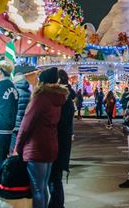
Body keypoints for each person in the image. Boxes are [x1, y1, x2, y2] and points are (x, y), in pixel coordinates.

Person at [15, 67, 68, 208]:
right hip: (51, 146)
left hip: (36, 147)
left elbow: (26, 124)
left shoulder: (40, 98)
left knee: (37, 188)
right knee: (43, 186)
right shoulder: (58, 99)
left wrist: (18, 147)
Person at [49, 69, 77, 208]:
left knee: (54, 177)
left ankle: (57, 204)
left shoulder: (63, 99)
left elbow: (60, 122)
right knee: (55, 177)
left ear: (58, 81)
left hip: (57, 141)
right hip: (61, 141)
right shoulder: (67, 98)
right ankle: (57, 203)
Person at [10, 64, 39, 153]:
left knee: (12, 150)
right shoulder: (29, 92)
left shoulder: (14, 92)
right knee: (21, 149)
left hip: (15, 125)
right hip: (25, 125)